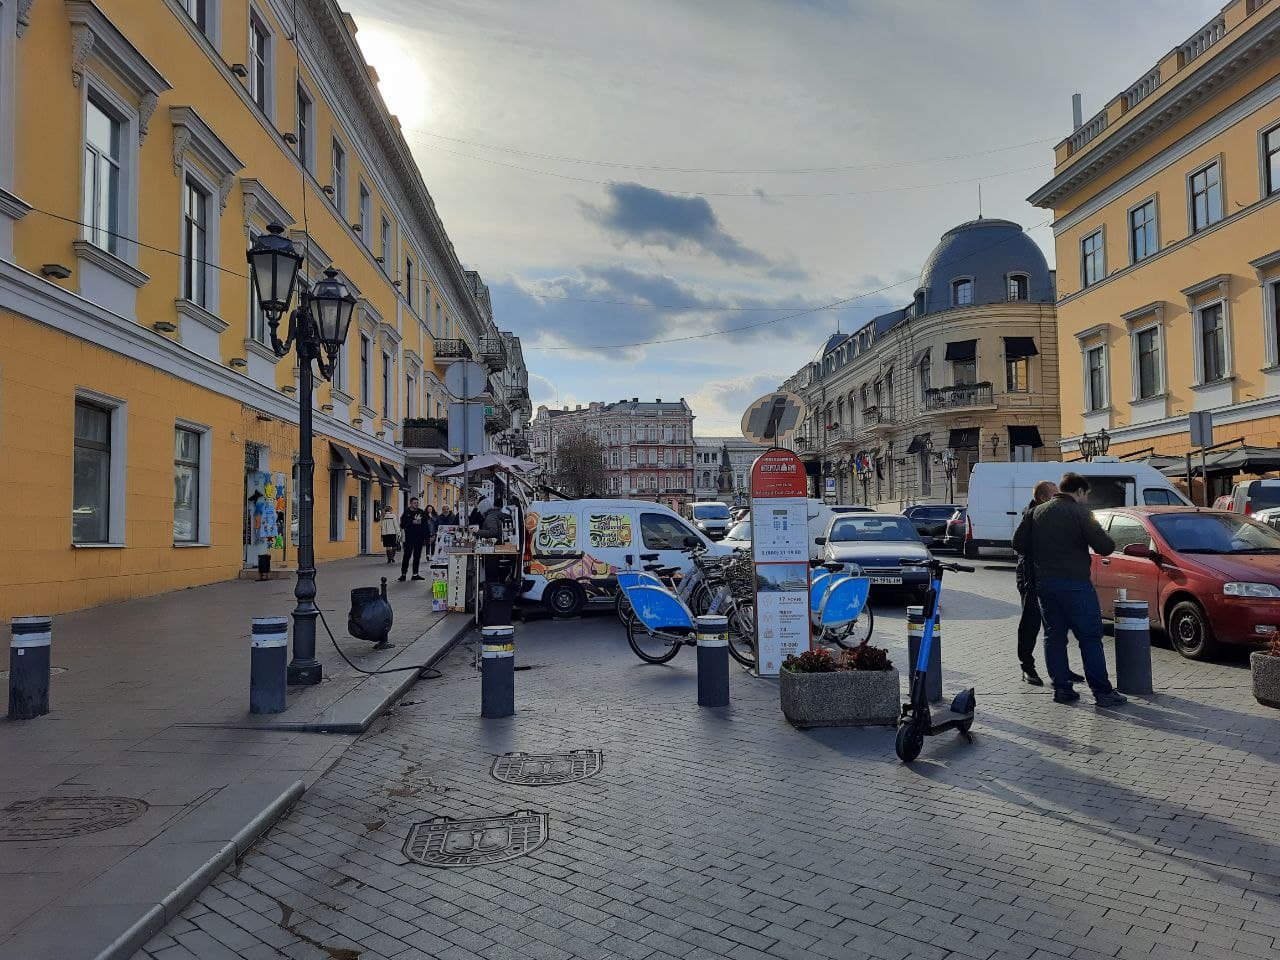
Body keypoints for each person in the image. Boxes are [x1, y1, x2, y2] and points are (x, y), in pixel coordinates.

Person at [1012, 472, 1126, 706]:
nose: (1086, 499)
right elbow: (1105, 547)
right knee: (1090, 638)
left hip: (1045, 585)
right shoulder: (1081, 512)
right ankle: (1102, 692)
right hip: (1075, 585)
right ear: (1079, 491)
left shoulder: (1035, 512)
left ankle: (1062, 689)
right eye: (1086, 495)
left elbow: (1018, 544)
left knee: (1053, 637)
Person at [1014, 480, 1083, 687]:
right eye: (1055, 495)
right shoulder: (1032, 516)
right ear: (1043, 498)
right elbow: (1018, 545)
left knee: (1057, 626)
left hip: (1055, 577)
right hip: (1032, 577)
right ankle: (1027, 667)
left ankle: (1061, 668)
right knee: (1031, 623)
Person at [398, 497, 429, 582]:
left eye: (417, 503)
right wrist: (413, 522)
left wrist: (427, 536)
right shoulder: (406, 512)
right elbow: (403, 525)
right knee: (406, 556)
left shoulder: (421, 512)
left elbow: (425, 525)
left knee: (417, 556)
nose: (416, 504)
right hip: (409, 538)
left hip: (419, 538)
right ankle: (403, 575)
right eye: (414, 503)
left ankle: (415, 574)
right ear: (410, 503)